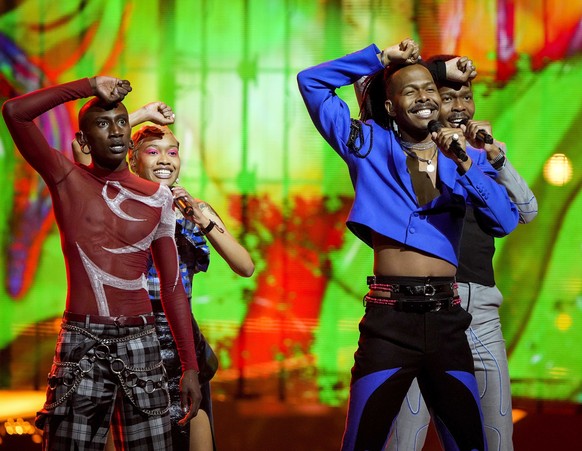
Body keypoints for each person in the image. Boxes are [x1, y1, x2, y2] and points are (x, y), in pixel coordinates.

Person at [297, 38, 520, 451]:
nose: (424, 98)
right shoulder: (366, 145)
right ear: (390, 106)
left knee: (471, 443)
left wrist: (466, 163)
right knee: (363, 442)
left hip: (446, 321)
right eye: (410, 91)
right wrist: (380, 59)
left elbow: (505, 221)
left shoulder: (461, 158)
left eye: (430, 90)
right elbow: (311, 82)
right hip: (390, 320)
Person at [2, 77, 201, 450]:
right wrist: (90, 85)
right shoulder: (66, 178)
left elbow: (173, 288)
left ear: (130, 134)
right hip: (82, 342)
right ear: (84, 139)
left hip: (142, 344)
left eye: (122, 122)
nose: (114, 131)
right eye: (102, 124)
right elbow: (15, 112)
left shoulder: (158, 198)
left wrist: (189, 366)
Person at [74, 109, 255, 450]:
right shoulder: (115, 203)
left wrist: (201, 219)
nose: (165, 160)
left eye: (172, 152)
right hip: (129, 344)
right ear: (131, 156)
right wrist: (138, 115)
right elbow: (81, 149)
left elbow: (245, 266)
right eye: (153, 151)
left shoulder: (194, 209)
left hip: (181, 347)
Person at [383, 56, 538, 451]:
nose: (459, 107)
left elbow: (526, 212)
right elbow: (379, 91)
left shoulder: (481, 161)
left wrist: (494, 157)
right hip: (425, 309)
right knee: (405, 441)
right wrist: (438, 73)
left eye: (466, 97)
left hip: (481, 314)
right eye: (447, 96)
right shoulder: (413, 152)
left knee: (495, 441)